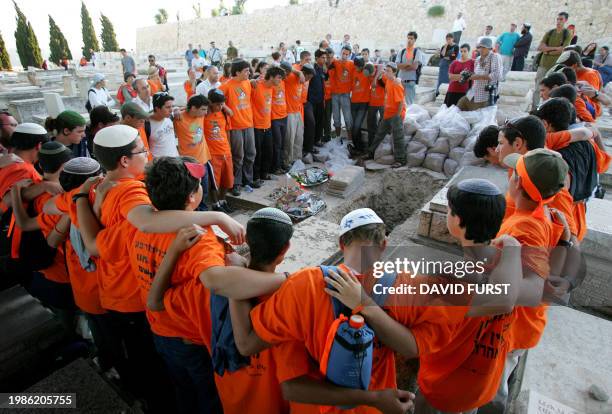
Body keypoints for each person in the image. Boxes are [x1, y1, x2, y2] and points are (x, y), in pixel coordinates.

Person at [74, 124, 245, 412]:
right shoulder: (135, 203)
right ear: (125, 161)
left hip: (122, 296)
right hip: (145, 309)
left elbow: (93, 244)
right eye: (142, 150)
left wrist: (81, 197)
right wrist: (216, 217)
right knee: (167, 378)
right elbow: (147, 222)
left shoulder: (102, 185)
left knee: (161, 374)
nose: (148, 152)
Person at [146, 205, 303, 414]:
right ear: (285, 249)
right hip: (273, 405)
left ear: (247, 241)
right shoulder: (294, 302)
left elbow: (155, 302)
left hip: (229, 399)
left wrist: (175, 250)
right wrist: (291, 280)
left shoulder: (202, 290)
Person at [219, 59, 256, 196]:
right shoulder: (226, 85)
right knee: (238, 156)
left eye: (249, 70)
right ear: (237, 72)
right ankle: (236, 183)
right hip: (235, 126)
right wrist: (225, 107)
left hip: (248, 123)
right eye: (246, 71)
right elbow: (214, 98)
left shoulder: (247, 82)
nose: (249, 73)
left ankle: (248, 180)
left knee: (251, 153)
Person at [364, 62, 406, 168]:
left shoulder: (397, 85)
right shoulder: (388, 80)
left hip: (396, 114)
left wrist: (397, 116)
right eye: (386, 70)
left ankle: (401, 160)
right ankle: (371, 153)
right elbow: (380, 68)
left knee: (398, 137)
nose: (386, 73)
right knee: (379, 134)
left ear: (394, 72)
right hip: (388, 113)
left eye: (389, 71)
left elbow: (401, 102)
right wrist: (381, 73)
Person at [174, 95, 212, 211]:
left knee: (204, 191)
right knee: (191, 193)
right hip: (188, 164)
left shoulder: (200, 115)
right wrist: (175, 110)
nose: (206, 113)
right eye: (203, 109)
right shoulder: (178, 118)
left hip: (203, 160)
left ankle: (203, 212)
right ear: (194, 108)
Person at [532, 12, 571, 109]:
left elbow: (563, 49)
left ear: (565, 20)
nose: (558, 21)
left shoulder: (567, 34)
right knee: (538, 87)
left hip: (555, 66)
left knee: (553, 88)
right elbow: (540, 47)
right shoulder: (550, 33)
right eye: (557, 19)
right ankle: (535, 108)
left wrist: (548, 50)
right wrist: (554, 49)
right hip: (543, 63)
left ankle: (547, 108)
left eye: (561, 19)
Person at [252, 66, 284, 184]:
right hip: (256, 126)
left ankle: (264, 174)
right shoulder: (256, 85)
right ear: (271, 77)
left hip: (267, 125)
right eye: (279, 78)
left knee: (269, 151)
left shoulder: (271, 88)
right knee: (257, 153)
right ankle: (256, 177)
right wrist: (251, 80)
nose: (280, 81)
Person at [205, 89, 234, 213]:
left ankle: (223, 200)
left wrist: (229, 148)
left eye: (222, 104)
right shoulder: (204, 114)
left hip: (225, 151)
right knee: (214, 182)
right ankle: (215, 204)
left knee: (227, 180)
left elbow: (227, 131)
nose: (220, 106)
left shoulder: (224, 113)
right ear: (210, 102)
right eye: (217, 104)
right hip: (212, 153)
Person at [457, 37, 500, 111]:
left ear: (489, 48)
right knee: (459, 106)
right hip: (473, 93)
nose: (481, 49)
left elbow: (496, 75)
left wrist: (477, 77)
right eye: (480, 47)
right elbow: (475, 74)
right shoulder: (477, 59)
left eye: (484, 47)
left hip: (485, 95)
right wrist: (468, 75)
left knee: (476, 117)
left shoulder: (494, 57)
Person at [282, 62, 310, 167]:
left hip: (297, 111)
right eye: (308, 77)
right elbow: (282, 66)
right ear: (303, 73)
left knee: (299, 137)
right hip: (289, 112)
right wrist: (298, 72)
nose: (307, 80)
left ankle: (297, 159)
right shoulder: (291, 76)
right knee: (290, 139)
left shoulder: (302, 80)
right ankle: (287, 162)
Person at [329, 46, 355, 141]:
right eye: (343, 53)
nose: (344, 55)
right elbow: (327, 64)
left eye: (347, 54)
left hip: (345, 93)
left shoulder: (352, 64)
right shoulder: (335, 62)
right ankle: (338, 137)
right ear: (341, 52)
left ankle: (350, 139)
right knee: (336, 117)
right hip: (335, 93)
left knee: (347, 117)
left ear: (350, 54)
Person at [349, 57, 372, 154]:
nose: (357, 68)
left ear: (362, 66)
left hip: (363, 103)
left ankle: (360, 148)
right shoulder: (353, 70)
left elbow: (379, 67)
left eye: (359, 67)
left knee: (356, 127)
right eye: (356, 66)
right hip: (353, 102)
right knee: (354, 126)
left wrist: (369, 67)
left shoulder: (367, 72)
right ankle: (357, 148)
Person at [397, 31, 426, 105]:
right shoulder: (402, 51)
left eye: (411, 38)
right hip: (400, 81)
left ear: (415, 40)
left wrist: (403, 66)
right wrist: (408, 64)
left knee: (408, 104)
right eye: (408, 38)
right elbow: (397, 65)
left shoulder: (417, 52)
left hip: (410, 82)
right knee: (398, 103)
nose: (409, 40)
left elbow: (414, 67)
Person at [149, 93, 179, 159]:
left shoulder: (169, 117)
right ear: (157, 108)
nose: (171, 110)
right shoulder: (147, 124)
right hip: (159, 165)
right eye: (168, 107)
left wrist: (176, 109)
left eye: (172, 106)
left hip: (175, 161)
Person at [309, 49, 328, 148]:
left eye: (325, 58)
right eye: (323, 58)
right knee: (312, 123)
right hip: (311, 101)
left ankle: (317, 140)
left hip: (320, 100)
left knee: (320, 121)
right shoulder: (312, 68)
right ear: (316, 58)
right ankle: (310, 143)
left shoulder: (321, 69)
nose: (325, 59)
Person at [367, 65, 385, 149]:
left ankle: (379, 144)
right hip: (372, 103)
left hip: (382, 103)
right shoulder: (368, 70)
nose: (371, 76)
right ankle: (371, 145)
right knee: (371, 125)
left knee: (382, 125)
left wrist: (375, 78)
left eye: (372, 74)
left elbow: (381, 66)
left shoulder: (381, 73)